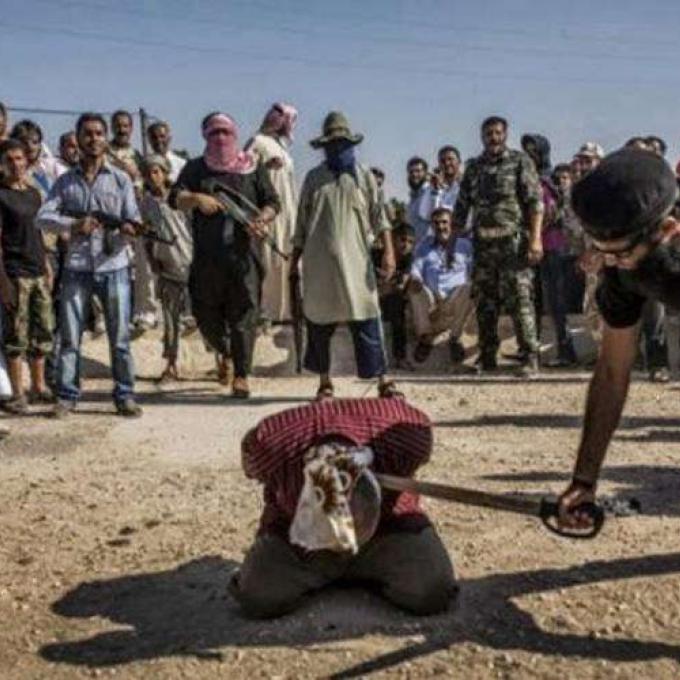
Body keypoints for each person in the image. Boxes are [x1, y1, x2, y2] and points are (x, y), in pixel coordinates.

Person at [229, 398, 457, 618]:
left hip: (386, 531)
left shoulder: (406, 435)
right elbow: (250, 468)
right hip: (301, 539)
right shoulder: (270, 443)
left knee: (433, 589)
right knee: (257, 596)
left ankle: (356, 570)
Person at [557, 148, 680, 529]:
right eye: (603, 253)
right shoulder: (622, 266)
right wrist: (584, 479)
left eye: (621, 255)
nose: (611, 264)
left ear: (668, 230)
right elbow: (612, 370)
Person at [37, 112, 142, 418]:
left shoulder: (120, 179)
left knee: (120, 338)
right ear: (79, 139)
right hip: (77, 267)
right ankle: (67, 396)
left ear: (105, 138)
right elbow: (43, 216)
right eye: (88, 134)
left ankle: (125, 394)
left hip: (114, 265)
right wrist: (73, 224)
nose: (94, 139)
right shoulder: (65, 181)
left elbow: (133, 218)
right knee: (70, 337)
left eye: (98, 133)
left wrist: (129, 229)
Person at [170, 112, 280, 399]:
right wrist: (196, 199)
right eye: (214, 133)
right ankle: (226, 351)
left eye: (225, 132)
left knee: (244, 313)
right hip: (208, 257)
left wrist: (262, 219)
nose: (220, 138)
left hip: (245, 256)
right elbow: (175, 197)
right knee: (204, 312)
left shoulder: (252, 167)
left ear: (235, 135)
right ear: (205, 137)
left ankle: (241, 374)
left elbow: (272, 202)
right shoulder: (196, 168)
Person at [292, 111, 399, 400]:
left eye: (342, 143)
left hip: (357, 263)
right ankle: (325, 382)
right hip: (319, 265)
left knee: (367, 316)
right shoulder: (314, 178)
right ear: (324, 147)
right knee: (319, 322)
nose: (337, 148)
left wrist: (389, 253)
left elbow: (381, 219)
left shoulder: (364, 176)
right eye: (332, 144)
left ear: (350, 144)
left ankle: (384, 380)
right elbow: (301, 224)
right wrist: (293, 262)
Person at [453, 116, 544, 375]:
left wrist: (536, 238)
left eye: (497, 133)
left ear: (505, 135)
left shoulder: (519, 161)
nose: (493, 138)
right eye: (488, 134)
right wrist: (452, 242)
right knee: (485, 303)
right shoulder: (474, 167)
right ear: (482, 137)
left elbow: (535, 203)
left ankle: (529, 357)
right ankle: (487, 356)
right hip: (483, 245)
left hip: (512, 245)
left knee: (520, 301)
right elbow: (462, 205)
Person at [0, 140, 53, 413]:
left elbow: (39, 232)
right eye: (9, 159)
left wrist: (47, 266)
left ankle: (38, 386)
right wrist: (3, 282)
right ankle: (18, 393)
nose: (15, 164)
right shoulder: (1, 195)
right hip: (15, 273)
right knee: (16, 337)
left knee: (42, 331)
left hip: (38, 271)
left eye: (19, 158)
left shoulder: (33, 194)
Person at [522, 134, 577, 367]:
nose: (529, 155)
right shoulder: (527, 177)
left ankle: (566, 351)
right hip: (533, 247)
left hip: (553, 247)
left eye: (534, 151)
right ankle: (529, 348)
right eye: (526, 151)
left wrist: (534, 229)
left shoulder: (549, 180)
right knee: (531, 299)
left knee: (556, 302)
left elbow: (552, 212)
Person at [139, 155, 193, 382]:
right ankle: (171, 364)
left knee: (205, 315)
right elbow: (146, 234)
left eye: (157, 172)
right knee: (170, 319)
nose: (153, 177)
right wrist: (153, 260)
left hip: (190, 261)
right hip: (167, 265)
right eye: (148, 173)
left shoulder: (181, 198)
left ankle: (223, 362)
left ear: (165, 173)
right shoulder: (146, 204)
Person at [246, 102, 298, 323]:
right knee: (269, 259)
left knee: (287, 258)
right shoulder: (257, 141)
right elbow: (245, 171)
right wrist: (265, 167)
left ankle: (286, 312)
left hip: (288, 211)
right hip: (268, 211)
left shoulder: (281, 147)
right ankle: (267, 310)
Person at [409, 207, 473, 366]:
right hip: (432, 299)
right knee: (414, 289)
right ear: (431, 225)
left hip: (455, 298)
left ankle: (455, 338)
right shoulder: (424, 246)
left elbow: (473, 270)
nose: (440, 226)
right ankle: (425, 338)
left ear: (451, 224)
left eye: (444, 222)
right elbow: (416, 268)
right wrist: (416, 278)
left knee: (470, 287)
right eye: (436, 223)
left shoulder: (465, 245)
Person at [374, 222, 415, 369]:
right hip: (372, 298)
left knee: (398, 311)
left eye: (410, 242)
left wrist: (387, 286)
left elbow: (401, 285)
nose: (406, 245)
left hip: (390, 299)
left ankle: (400, 357)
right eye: (402, 240)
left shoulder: (408, 259)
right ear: (392, 240)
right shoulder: (376, 255)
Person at [406, 156, 433, 244]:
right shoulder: (412, 197)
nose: (414, 175)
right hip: (416, 247)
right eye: (411, 172)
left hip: (429, 246)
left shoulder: (431, 192)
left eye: (418, 171)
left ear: (425, 173)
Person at [431, 145, 462, 212]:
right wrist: (435, 190)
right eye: (442, 161)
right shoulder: (435, 189)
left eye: (450, 159)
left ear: (459, 161)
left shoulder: (467, 185)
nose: (446, 163)